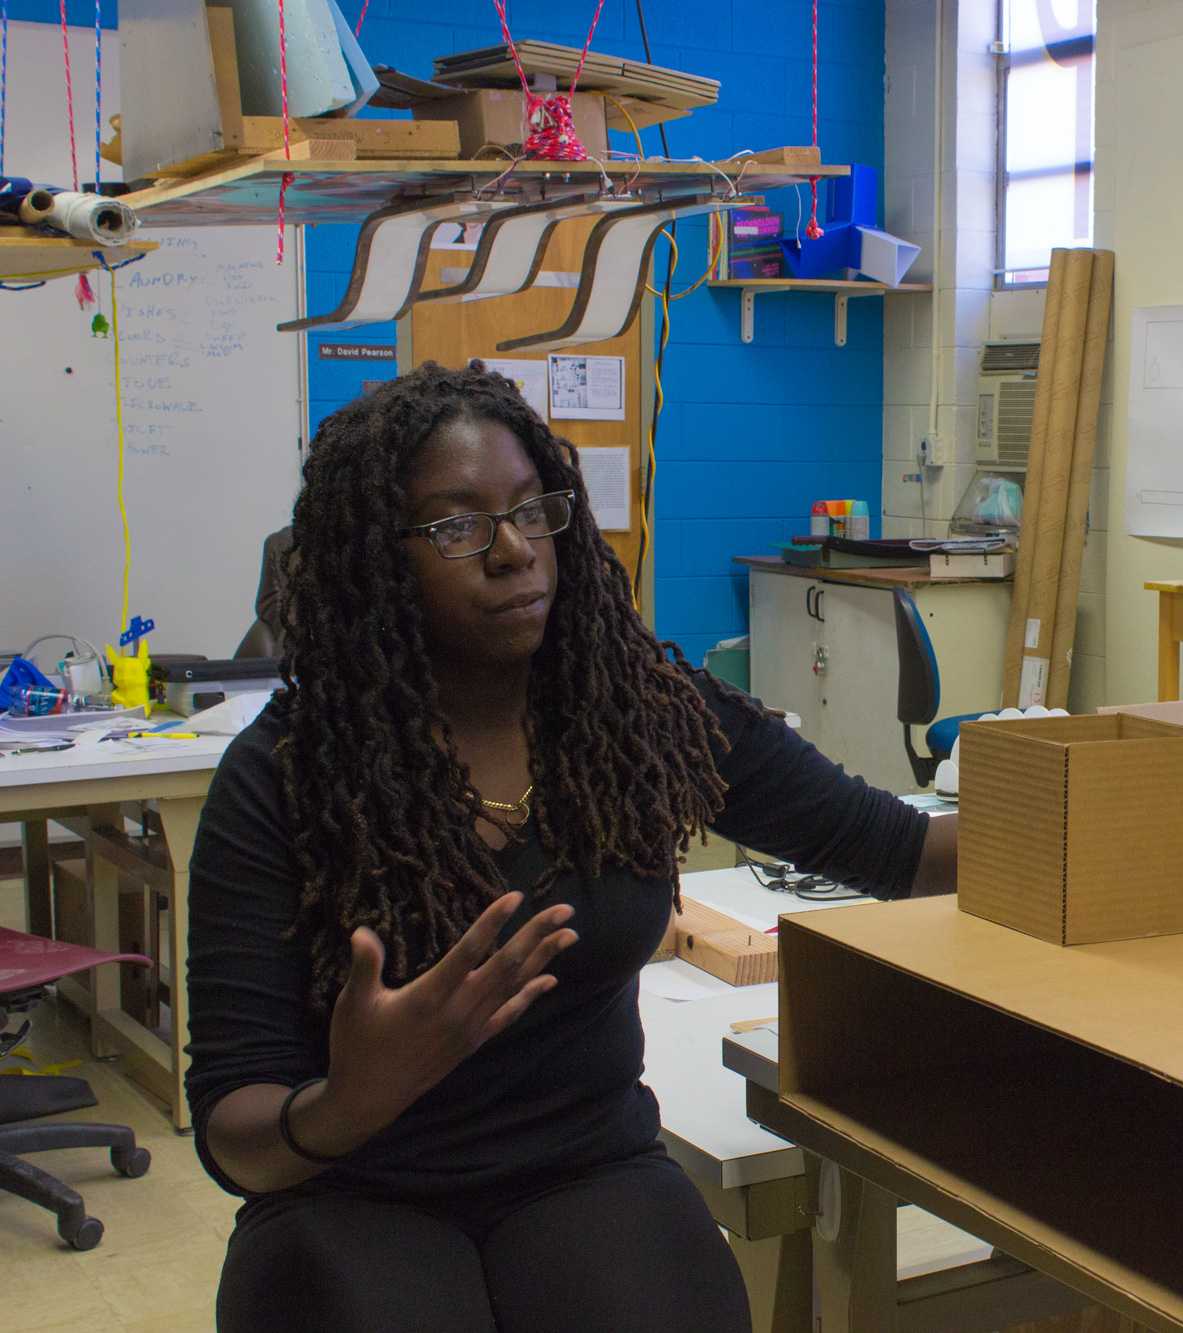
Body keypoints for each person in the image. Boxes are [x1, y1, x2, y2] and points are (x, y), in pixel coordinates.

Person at [185, 362, 957, 1333]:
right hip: (350, 1187)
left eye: (531, 510)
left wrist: (1131, 795)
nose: (513, 551)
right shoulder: (284, 775)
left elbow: (901, 851)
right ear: (374, 561)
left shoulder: (635, 714)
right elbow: (232, 1131)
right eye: (456, 525)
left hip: (583, 1168)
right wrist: (344, 1103)